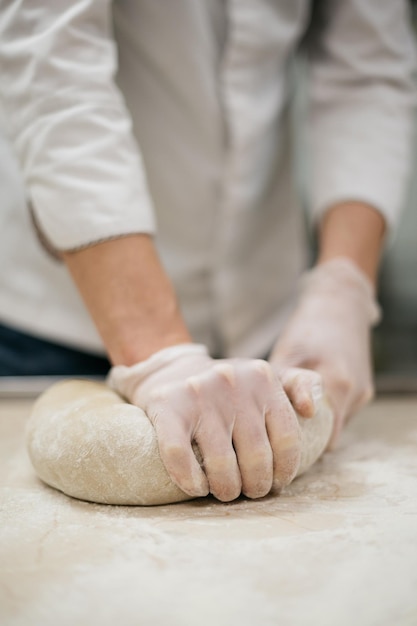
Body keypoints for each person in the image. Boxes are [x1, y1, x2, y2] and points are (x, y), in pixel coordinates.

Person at [0, 0, 415, 501]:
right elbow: (55, 69)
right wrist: (157, 356)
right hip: (66, 310)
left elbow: (367, 68)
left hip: (271, 325)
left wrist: (343, 285)